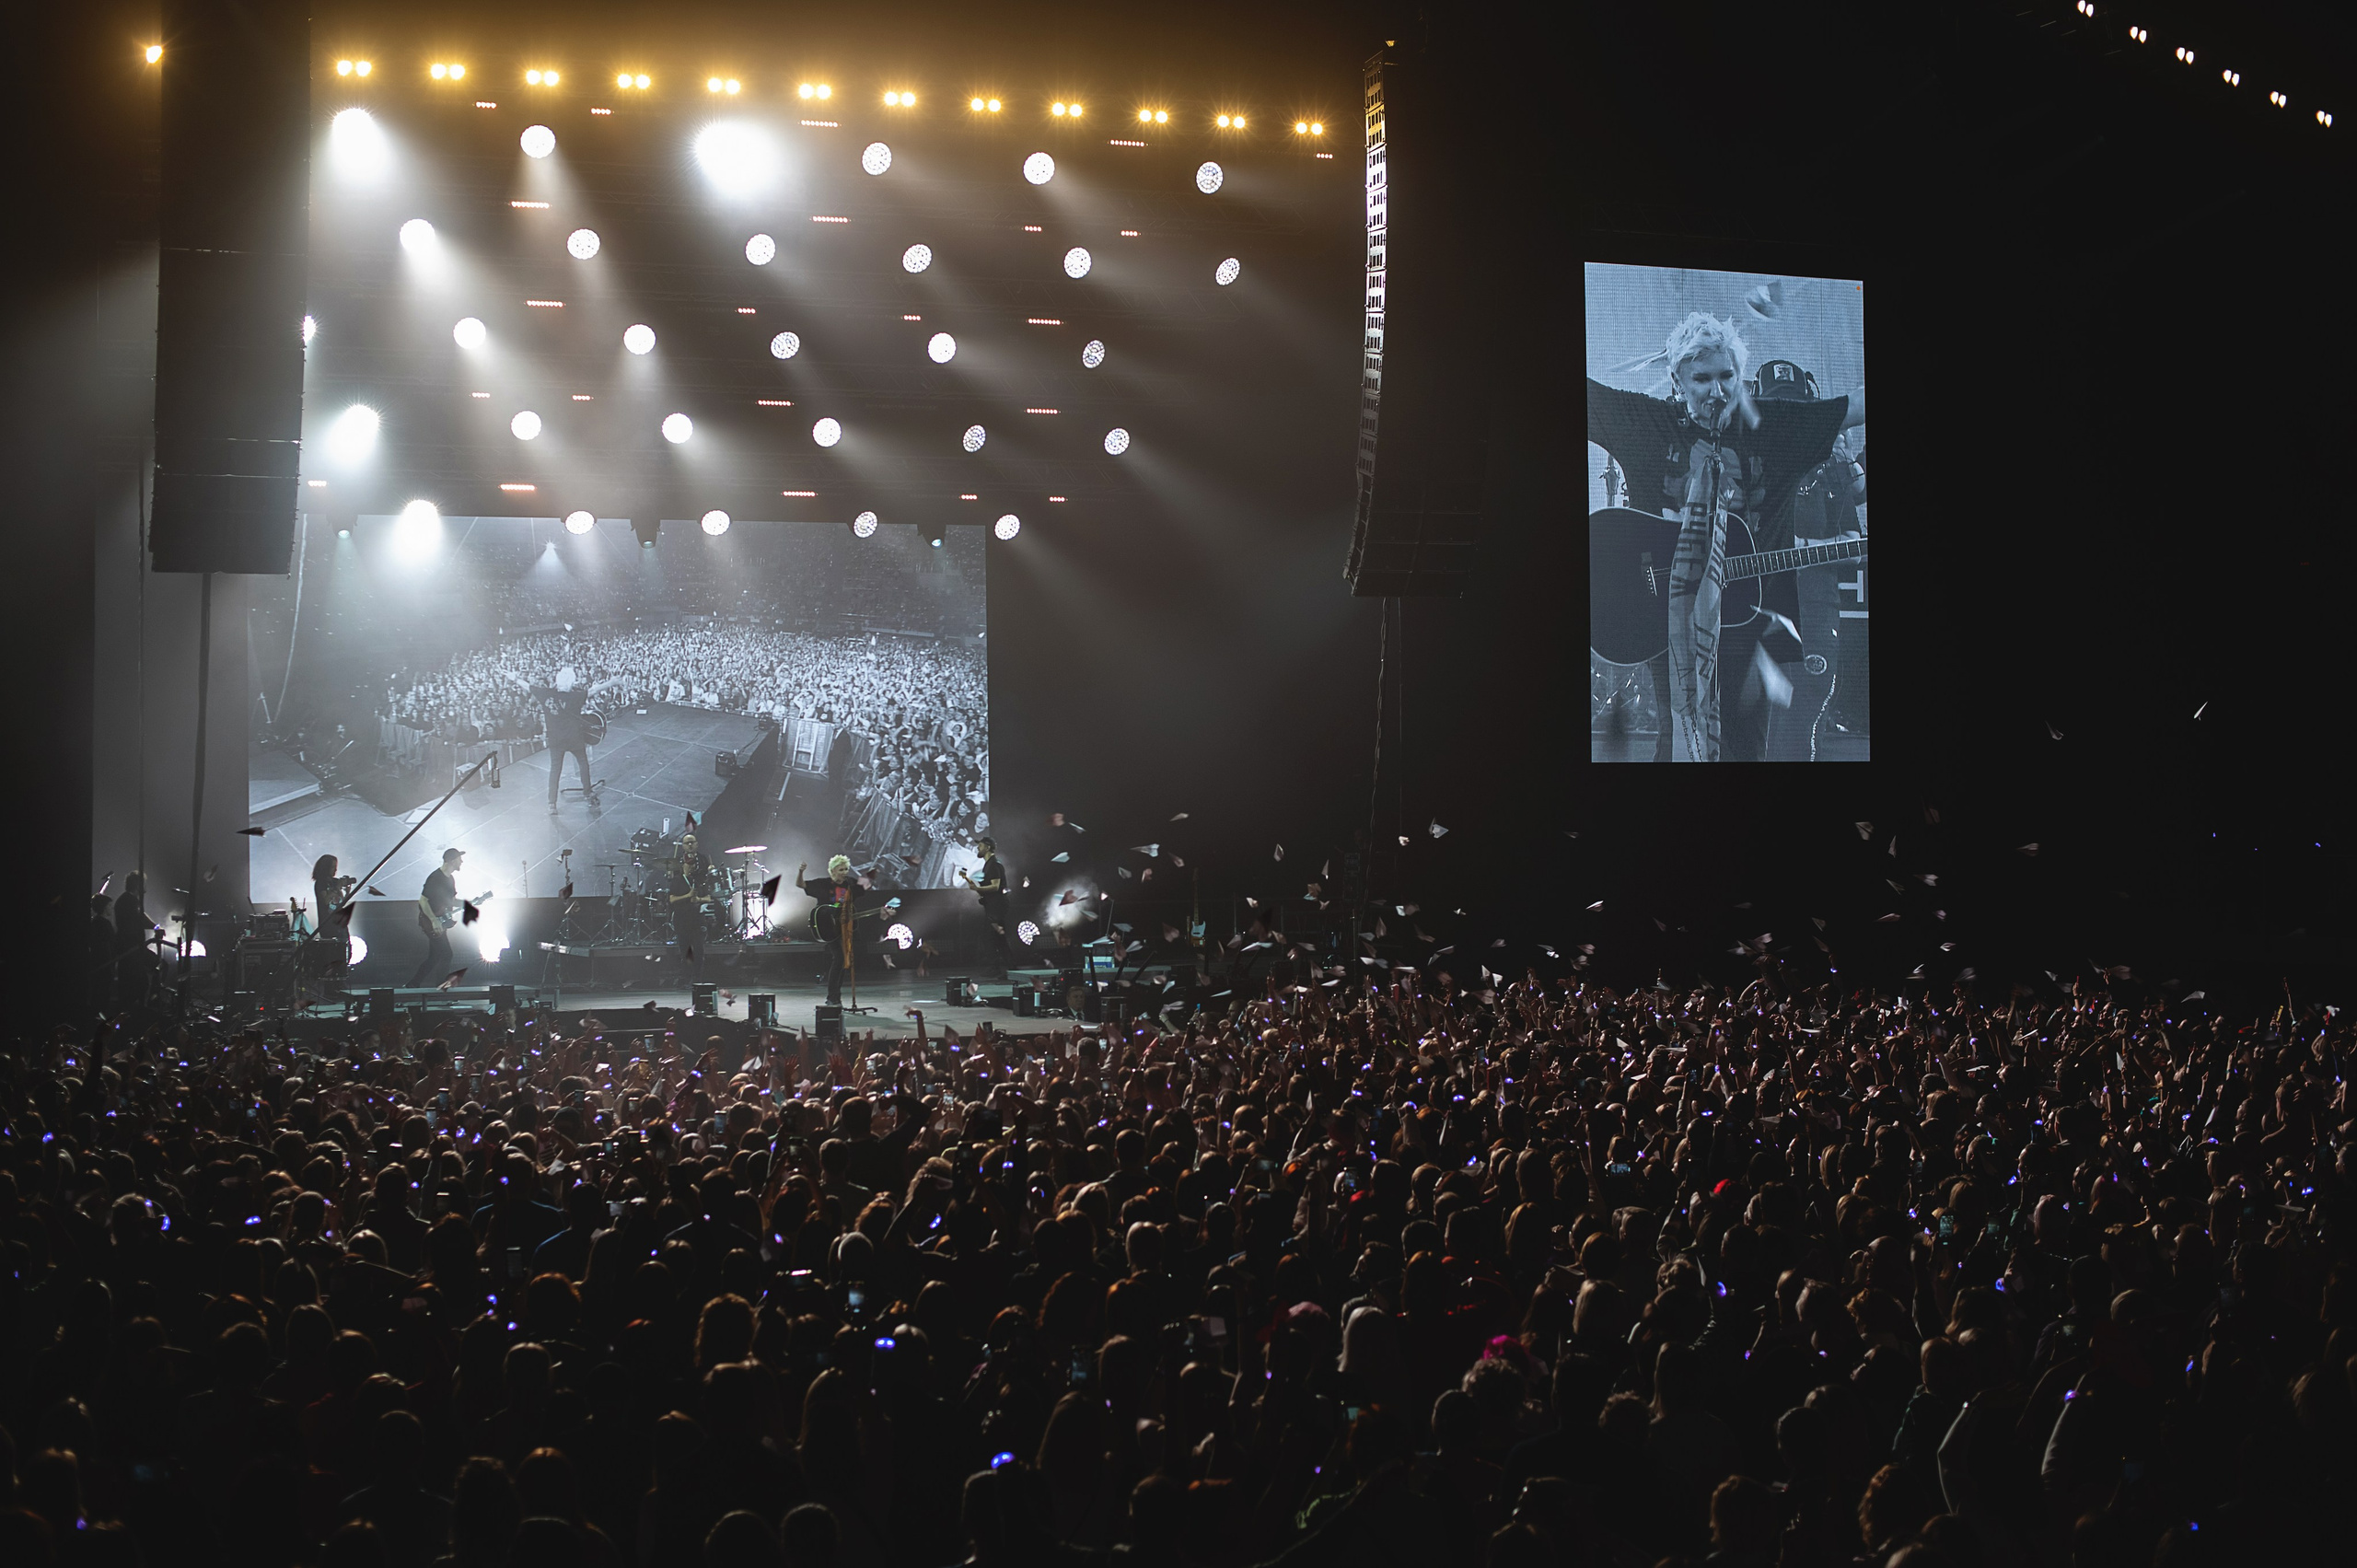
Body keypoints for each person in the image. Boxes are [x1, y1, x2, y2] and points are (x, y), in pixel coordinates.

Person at [1587, 308, 1864, 761]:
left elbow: (1854, 407)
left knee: (1747, 748)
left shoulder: (1774, 426)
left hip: (1756, 616)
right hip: (1667, 613)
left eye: (1727, 377)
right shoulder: (1643, 421)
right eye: (1702, 380)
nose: (1717, 392)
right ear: (1677, 382)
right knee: (1679, 742)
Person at [799, 854, 859, 1005]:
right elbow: (801, 885)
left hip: (843, 927)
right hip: (827, 927)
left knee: (844, 961)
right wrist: (801, 872)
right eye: (841, 869)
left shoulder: (850, 884)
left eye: (846, 869)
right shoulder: (823, 884)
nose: (844, 872)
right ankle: (832, 997)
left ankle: (835, 996)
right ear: (833, 870)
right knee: (839, 958)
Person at [410, 846, 465, 986]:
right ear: (452, 861)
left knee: (434, 957)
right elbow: (423, 900)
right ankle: (441, 988)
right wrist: (434, 921)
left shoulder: (450, 879)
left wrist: (470, 904)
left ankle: (413, 984)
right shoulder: (435, 877)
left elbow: (451, 901)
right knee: (447, 954)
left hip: (441, 921)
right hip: (431, 922)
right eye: (459, 859)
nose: (462, 862)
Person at [962, 836, 1009, 975]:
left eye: (980, 846)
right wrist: (976, 888)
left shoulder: (993, 865)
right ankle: (1010, 967)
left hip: (997, 907)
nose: (978, 848)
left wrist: (977, 889)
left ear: (987, 848)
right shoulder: (989, 865)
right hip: (994, 906)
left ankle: (996, 968)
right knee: (998, 938)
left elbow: (995, 887)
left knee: (989, 937)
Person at [669, 834, 715, 978]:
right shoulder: (677, 877)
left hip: (697, 918)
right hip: (682, 918)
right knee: (685, 950)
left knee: (699, 949)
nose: (691, 867)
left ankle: (698, 978)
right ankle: (686, 978)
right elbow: (671, 898)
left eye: (692, 842)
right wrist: (688, 896)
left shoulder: (701, 878)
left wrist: (699, 898)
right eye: (688, 865)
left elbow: (709, 896)